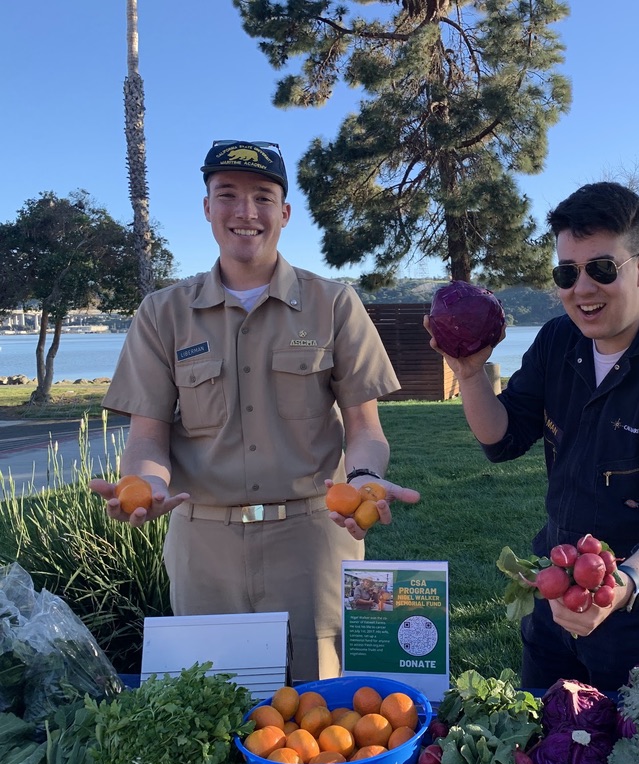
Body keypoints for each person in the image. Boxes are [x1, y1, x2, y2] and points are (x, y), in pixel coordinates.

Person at [88, 139, 420, 681]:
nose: (246, 212)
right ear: (207, 208)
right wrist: (143, 484)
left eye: (263, 197)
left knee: (324, 718)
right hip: (203, 549)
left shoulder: (333, 303)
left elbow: (365, 429)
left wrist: (364, 478)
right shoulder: (162, 314)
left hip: (313, 542)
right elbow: (148, 439)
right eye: (228, 195)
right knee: (209, 713)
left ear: (285, 213)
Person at [425, 181, 639, 691]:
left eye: (602, 268)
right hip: (556, 600)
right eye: (567, 273)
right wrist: (469, 373)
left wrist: (621, 585)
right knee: (543, 743)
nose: (582, 288)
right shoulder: (558, 340)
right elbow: (501, 439)